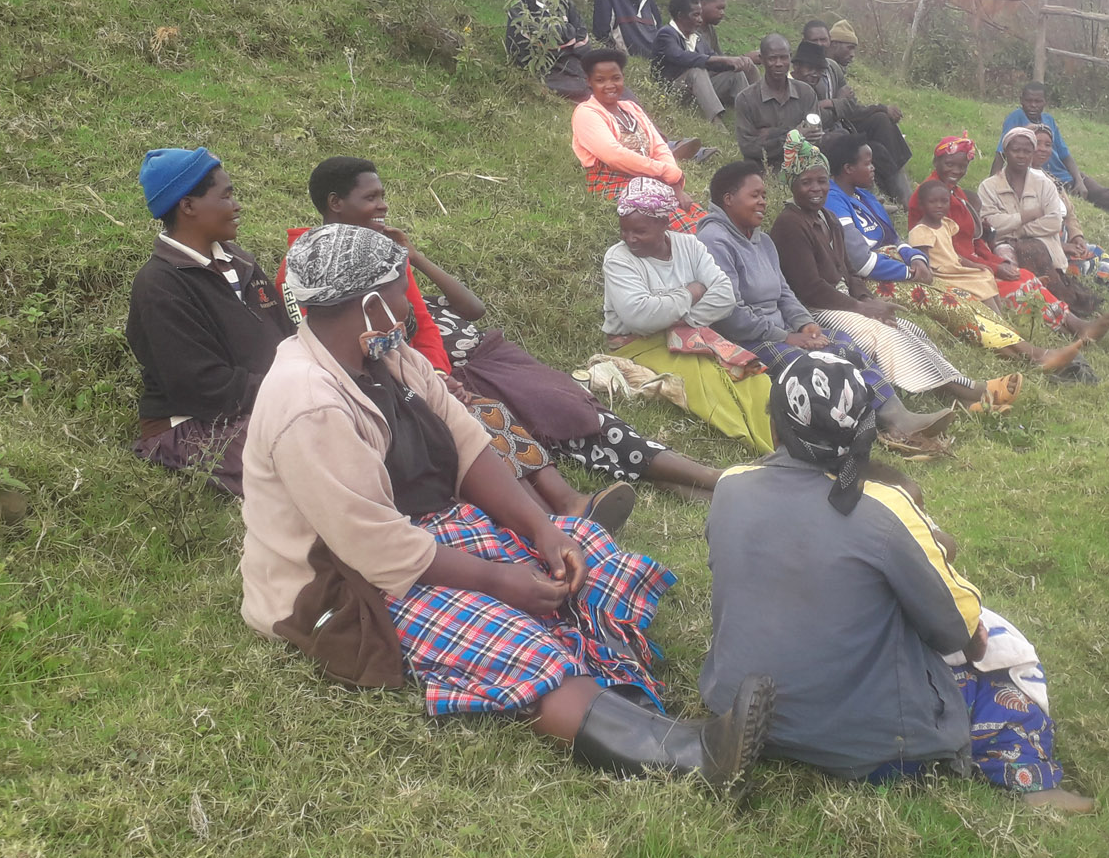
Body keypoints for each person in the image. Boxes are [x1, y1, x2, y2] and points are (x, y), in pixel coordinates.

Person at [240, 222, 776, 797]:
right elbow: (377, 549)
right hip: (349, 581)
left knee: (584, 553)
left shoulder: (387, 354)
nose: (411, 300)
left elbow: (469, 443)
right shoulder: (309, 404)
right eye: (402, 286)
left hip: (427, 532)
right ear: (371, 303)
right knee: (506, 635)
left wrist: (544, 531)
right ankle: (690, 755)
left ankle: (613, 689)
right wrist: (498, 580)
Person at [701, 352, 1095, 813]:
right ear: (864, 433)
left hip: (735, 711)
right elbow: (962, 635)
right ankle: (1030, 778)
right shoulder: (885, 508)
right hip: (870, 749)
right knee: (1006, 659)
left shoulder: (729, 486)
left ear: (773, 428)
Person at [297, 157, 724, 502]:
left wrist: (415, 257)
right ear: (336, 203)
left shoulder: (387, 254)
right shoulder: (315, 268)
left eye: (382, 196)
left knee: (574, 409)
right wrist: (436, 375)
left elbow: (471, 310)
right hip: (437, 375)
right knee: (550, 424)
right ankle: (680, 480)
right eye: (371, 197)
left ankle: (695, 478)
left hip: (480, 354)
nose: (383, 206)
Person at [694, 160, 954, 441]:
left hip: (780, 330)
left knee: (844, 345)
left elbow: (784, 293)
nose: (762, 202)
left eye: (764, 195)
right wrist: (787, 337)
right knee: (812, 364)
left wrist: (805, 325)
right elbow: (731, 314)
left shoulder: (762, 241)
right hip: (744, 340)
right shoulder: (715, 241)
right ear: (728, 199)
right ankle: (863, 428)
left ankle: (896, 415)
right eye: (754, 195)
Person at [769, 136, 1024, 411]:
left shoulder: (826, 218)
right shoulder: (790, 224)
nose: (816, 189)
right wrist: (861, 308)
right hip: (819, 309)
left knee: (908, 329)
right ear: (791, 184)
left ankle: (963, 396)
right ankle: (972, 390)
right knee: (883, 336)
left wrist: (867, 299)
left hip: (844, 300)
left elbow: (849, 270)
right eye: (806, 182)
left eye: (821, 181)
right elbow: (811, 289)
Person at [820, 134, 1098, 374]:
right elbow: (862, 260)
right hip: (877, 278)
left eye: (962, 166)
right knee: (955, 306)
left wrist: (916, 260)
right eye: (867, 164)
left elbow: (895, 238)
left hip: (907, 266)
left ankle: (1033, 350)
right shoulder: (838, 200)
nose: (874, 169)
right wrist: (911, 270)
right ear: (847, 168)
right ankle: (1034, 354)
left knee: (967, 299)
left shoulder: (864, 196)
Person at [126, 147, 294, 497]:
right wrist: (292, 392)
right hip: (196, 426)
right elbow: (203, 388)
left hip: (270, 402)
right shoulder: (160, 284)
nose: (237, 205)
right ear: (188, 206)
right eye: (226, 195)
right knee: (313, 444)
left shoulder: (240, 262)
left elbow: (288, 336)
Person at [601, 177, 776, 454]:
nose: (629, 238)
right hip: (638, 344)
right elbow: (639, 317)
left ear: (664, 223)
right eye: (624, 230)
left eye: (639, 231)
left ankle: (781, 440)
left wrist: (679, 319)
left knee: (752, 377)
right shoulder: (618, 258)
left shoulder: (689, 246)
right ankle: (757, 448)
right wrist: (691, 292)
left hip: (689, 333)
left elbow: (725, 296)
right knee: (709, 382)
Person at [573, 47, 711, 233]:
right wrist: (666, 173)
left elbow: (659, 146)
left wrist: (674, 182)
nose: (610, 85)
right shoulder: (586, 113)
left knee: (705, 221)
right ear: (589, 82)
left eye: (615, 78)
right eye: (600, 80)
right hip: (614, 183)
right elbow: (614, 156)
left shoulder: (631, 108)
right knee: (685, 226)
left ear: (623, 78)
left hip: (651, 179)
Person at [979, 127, 1109, 318]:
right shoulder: (989, 186)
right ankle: (1053, 304)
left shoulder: (1044, 184)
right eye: (1016, 150)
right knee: (1013, 261)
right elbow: (991, 224)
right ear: (1005, 153)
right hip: (1004, 244)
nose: (1021, 155)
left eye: (1027, 151)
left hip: (1043, 243)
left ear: (1032, 153)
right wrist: (1026, 216)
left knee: (1033, 249)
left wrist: (1017, 229)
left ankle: (1056, 302)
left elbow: (1054, 222)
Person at [994, 84, 1109, 227]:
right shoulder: (1015, 119)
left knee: (1102, 193)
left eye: (1038, 101)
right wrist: (994, 182)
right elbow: (1001, 151)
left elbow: (1065, 154)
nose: (1033, 105)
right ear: (1021, 100)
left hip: (1064, 174)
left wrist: (1079, 180)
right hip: (1042, 178)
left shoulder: (1049, 120)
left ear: (1045, 102)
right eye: (1029, 101)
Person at [808, 19, 913, 202]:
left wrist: (835, 103)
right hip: (825, 133)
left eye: (823, 40)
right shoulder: (802, 71)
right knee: (875, 150)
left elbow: (851, 106)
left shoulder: (833, 69)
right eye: (849, 48)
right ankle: (877, 197)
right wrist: (838, 102)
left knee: (881, 120)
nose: (820, 45)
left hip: (843, 123)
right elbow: (813, 114)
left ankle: (904, 193)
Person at [1030, 123, 1109, 296]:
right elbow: (1025, 229)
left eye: (1048, 145)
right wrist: (1062, 246)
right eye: (1037, 143)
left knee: (1096, 251)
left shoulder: (1050, 178)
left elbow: (1069, 214)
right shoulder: (1021, 181)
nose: (1043, 149)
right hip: (1046, 251)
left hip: (1066, 242)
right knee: (1093, 264)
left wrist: (1077, 238)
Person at [652, 0, 756, 128]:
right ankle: (717, 123)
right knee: (697, 71)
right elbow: (680, 56)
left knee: (736, 74)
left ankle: (753, 118)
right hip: (672, 92)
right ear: (680, 16)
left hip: (698, 90)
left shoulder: (697, 38)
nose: (700, 20)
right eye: (695, 15)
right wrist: (720, 60)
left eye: (700, 15)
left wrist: (734, 62)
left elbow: (713, 61)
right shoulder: (666, 34)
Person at [505, 0, 594, 102]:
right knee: (581, 87)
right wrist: (568, 36)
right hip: (536, 66)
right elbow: (524, 44)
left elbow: (583, 40)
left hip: (568, 64)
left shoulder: (563, 0)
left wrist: (558, 40)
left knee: (600, 78)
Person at [732, 34, 820, 168]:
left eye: (784, 57)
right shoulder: (746, 99)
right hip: (763, 169)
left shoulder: (806, 93)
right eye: (772, 58)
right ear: (761, 59)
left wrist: (771, 134)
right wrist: (795, 137)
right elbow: (748, 147)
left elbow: (815, 138)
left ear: (790, 57)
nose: (779, 64)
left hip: (800, 166)